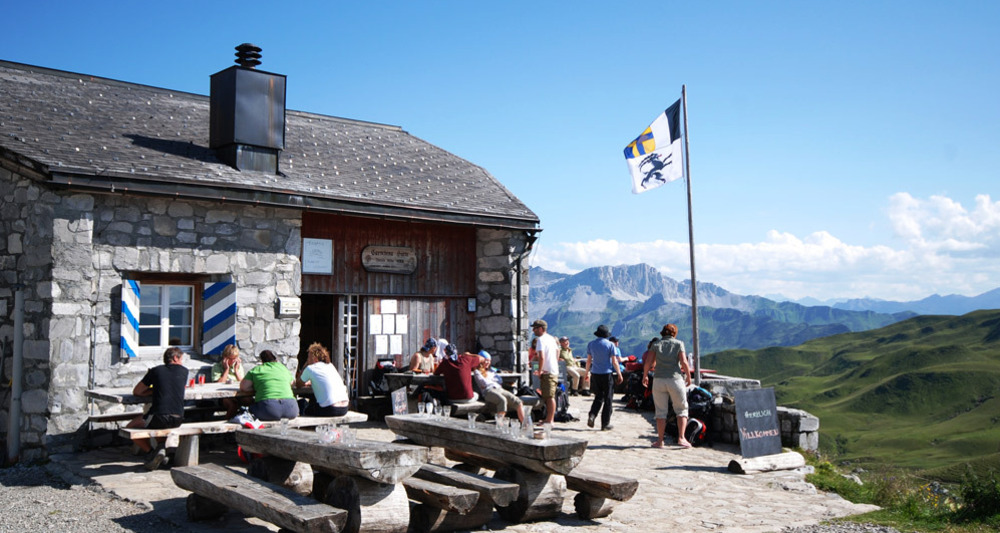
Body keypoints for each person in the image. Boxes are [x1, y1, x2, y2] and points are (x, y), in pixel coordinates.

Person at [126, 346, 188, 470]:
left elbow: (137, 391)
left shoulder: (156, 371)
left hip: (160, 417)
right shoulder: (184, 371)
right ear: (175, 358)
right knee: (159, 423)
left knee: (130, 427)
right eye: (181, 359)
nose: (182, 362)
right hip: (178, 418)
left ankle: (151, 452)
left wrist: (153, 390)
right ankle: (162, 450)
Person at [644, 323, 692, 448]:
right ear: (674, 333)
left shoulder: (656, 344)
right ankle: (681, 438)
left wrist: (644, 376)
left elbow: (649, 361)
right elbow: (684, 362)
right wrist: (688, 376)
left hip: (659, 379)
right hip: (675, 379)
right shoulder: (678, 344)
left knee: (660, 411)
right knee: (681, 408)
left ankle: (660, 440)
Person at [240, 349, 299, 421]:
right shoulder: (283, 368)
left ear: (262, 361)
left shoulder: (256, 370)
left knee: (249, 408)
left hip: (269, 410)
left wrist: (258, 388)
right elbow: (292, 383)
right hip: (291, 410)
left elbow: (243, 387)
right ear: (276, 359)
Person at [295, 342, 350, 417]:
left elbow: (298, 384)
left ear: (315, 359)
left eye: (308, 358)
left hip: (331, 408)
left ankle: (307, 427)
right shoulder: (330, 365)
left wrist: (304, 367)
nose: (307, 360)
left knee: (304, 406)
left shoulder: (310, 368)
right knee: (315, 402)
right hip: (344, 408)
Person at [586, 324, 624, 431]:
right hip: (606, 374)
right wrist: (619, 374)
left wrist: (586, 373)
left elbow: (589, 360)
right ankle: (605, 424)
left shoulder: (591, 344)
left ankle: (592, 415)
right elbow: (614, 361)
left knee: (598, 397)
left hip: (595, 373)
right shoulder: (610, 345)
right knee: (608, 399)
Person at [473, 351, 525, 423]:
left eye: (489, 361)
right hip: (488, 391)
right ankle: (499, 424)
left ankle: (525, 424)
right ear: (481, 361)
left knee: (518, 402)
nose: (488, 362)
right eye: (486, 360)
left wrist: (491, 381)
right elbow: (483, 383)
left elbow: (500, 380)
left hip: (499, 389)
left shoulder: (491, 370)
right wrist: (493, 381)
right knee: (502, 400)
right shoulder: (477, 372)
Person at [531, 319, 559, 425]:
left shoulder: (540, 340)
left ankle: (550, 420)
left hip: (548, 372)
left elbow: (541, 357)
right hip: (553, 370)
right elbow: (558, 351)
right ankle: (548, 419)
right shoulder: (551, 339)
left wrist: (539, 371)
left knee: (549, 397)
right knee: (548, 395)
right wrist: (554, 363)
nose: (533, 330)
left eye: (535, 328)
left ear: (541, 329)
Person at [211, 344, 252, 418]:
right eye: (230, 359)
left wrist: (236, 370)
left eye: (235, 358)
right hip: (223, 396)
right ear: (225, 358)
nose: (233, 361)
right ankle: (227, 424)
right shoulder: (217, 367)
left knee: (250, 400)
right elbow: (218, 383)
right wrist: (226, 369)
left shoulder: (238, 366)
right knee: (233, 405)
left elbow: (242, 382)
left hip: (238, 394)